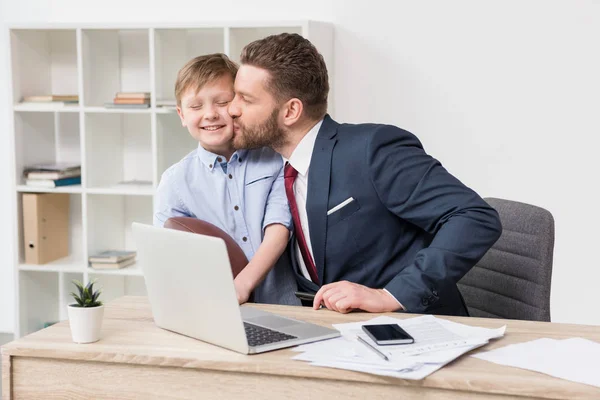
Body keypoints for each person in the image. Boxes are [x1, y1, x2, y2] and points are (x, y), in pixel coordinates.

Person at [228, 33, 502, 316]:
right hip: (330, 331)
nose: (231, 109)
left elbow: (474, 217)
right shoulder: (273, 168)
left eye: (246, 100)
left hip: (408, 331)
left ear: (291, 111)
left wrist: (391, 295)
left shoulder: (372, 150)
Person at [153, 53, 299, 306]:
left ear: (238, 106)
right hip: (215, 307)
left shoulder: (274, 159)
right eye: (196, 107)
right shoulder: (175, 182)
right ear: (181, 115)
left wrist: (241, 286)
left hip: (282, 305)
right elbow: (166, 255)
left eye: (222, 102)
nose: (210, 114)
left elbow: (278, 229)